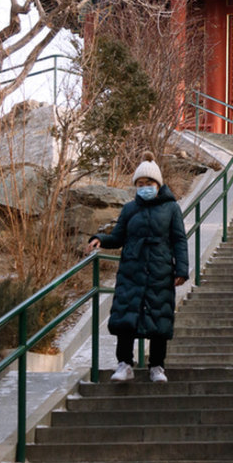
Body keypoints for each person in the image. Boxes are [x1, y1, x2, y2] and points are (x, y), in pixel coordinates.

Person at [87, 151, 188, 383]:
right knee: (126, 317)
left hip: (160, 270)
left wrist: (182, 269)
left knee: (159, 317)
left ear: (158, 184)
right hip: (131, 270)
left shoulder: (172, 209)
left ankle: (157, 366)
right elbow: (119, 236)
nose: (144, 187)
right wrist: (101, 239)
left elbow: (179, 239)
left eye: (149, 183)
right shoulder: (130, 209)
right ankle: (124, 364)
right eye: (140, 183)